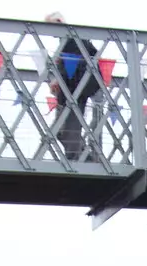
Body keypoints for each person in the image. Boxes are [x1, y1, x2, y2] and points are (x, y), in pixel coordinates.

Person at [45, 12, 103, 161]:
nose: (49, 31)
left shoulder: (73, 40)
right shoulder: (68, 41)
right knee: (60, 131)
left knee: (70, 129)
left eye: (50, 26)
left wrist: (58, 79)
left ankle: (75, 159)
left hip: (76, 90)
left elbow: (77, 65)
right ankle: (85, 157)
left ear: (59, 22)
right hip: (69, 90)